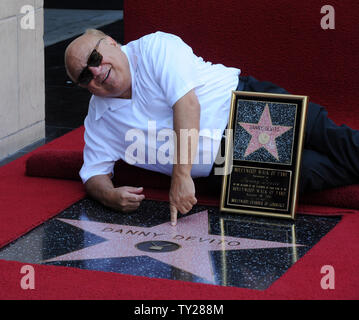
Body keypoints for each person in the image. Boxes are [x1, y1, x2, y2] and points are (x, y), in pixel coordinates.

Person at [65, 29, 359, 225]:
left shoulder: (153, 47)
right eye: (82, 76)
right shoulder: (99, 118)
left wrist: (180, 176)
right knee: (312, 170)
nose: (94, 72)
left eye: (94, 58)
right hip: (224, 166)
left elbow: (187, 105)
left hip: (245, 107)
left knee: (338, 142)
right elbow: (93, 172)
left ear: (112, 42)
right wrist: (110, 196)